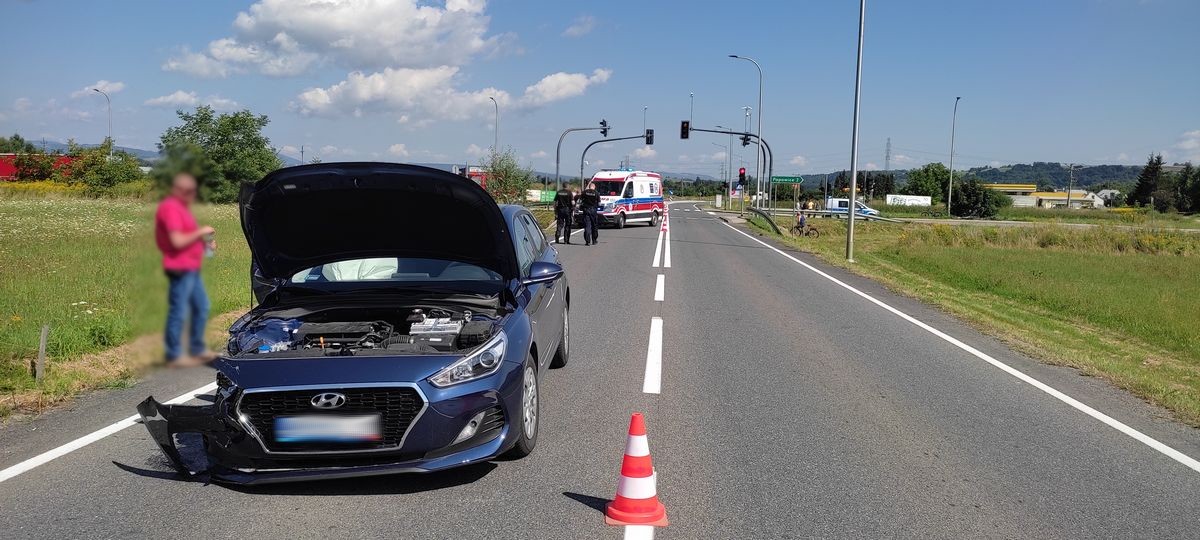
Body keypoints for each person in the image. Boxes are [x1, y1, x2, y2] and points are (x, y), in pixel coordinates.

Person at [155, 173, 217, 367]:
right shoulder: (170, 208)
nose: (192, 195)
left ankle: (197, 348)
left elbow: (188, 238)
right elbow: (177, 241)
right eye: (189, 191)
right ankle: (174, 354)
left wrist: (206, 245)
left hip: (191, 267)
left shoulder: (182, 209)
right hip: (179, 267)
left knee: (202, 307)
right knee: (180, 310)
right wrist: (201, 232)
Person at [578, 182, 601, 246]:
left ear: (589, 186)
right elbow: (599, 204)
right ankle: (594, 240)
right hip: (593, 211)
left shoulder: (584, 192)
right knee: (594, 226)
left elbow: (580, 201)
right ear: (594, 187)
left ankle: (587, 241)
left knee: (587, 226)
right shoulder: (596, 193)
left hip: (586, 210)